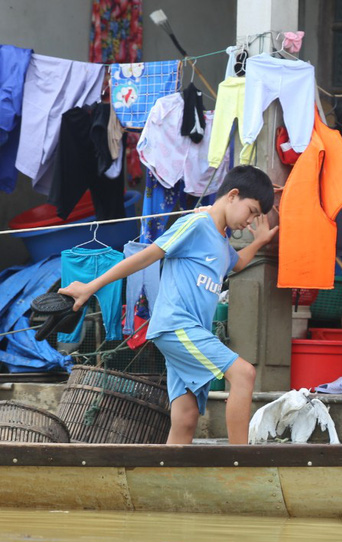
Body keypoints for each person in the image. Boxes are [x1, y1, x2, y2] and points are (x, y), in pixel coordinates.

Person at [59, 165, 278, 444]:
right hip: (177, 327)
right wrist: (91, 287)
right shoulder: (196, 224)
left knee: (186, 419)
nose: (250, 222)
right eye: (252, 212)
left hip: (190, 334)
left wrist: (259, 241)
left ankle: (169, 482)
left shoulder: (222, 241)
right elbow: (146, 256)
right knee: (244, 374)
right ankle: (241, 464)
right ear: (233, 195)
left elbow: (237, 263)